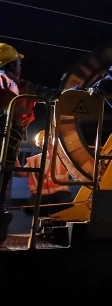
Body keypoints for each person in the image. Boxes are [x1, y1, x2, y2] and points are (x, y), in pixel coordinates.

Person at [0, 43, 60, 244]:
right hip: (5, 145)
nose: (20, 67)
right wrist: (79, 92)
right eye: (17, 63)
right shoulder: (16, 84)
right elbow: (51, 95)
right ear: (11, 65)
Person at [15, 130, 73, 217]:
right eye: (48, 139)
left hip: (60, 194)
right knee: (29, 209)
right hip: (41, 196)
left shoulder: (64, 158)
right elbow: (21, 174)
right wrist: (15, 157)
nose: (50, 142)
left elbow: (76, 172)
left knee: (65, 205)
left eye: (51, 139)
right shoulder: (34, 160)